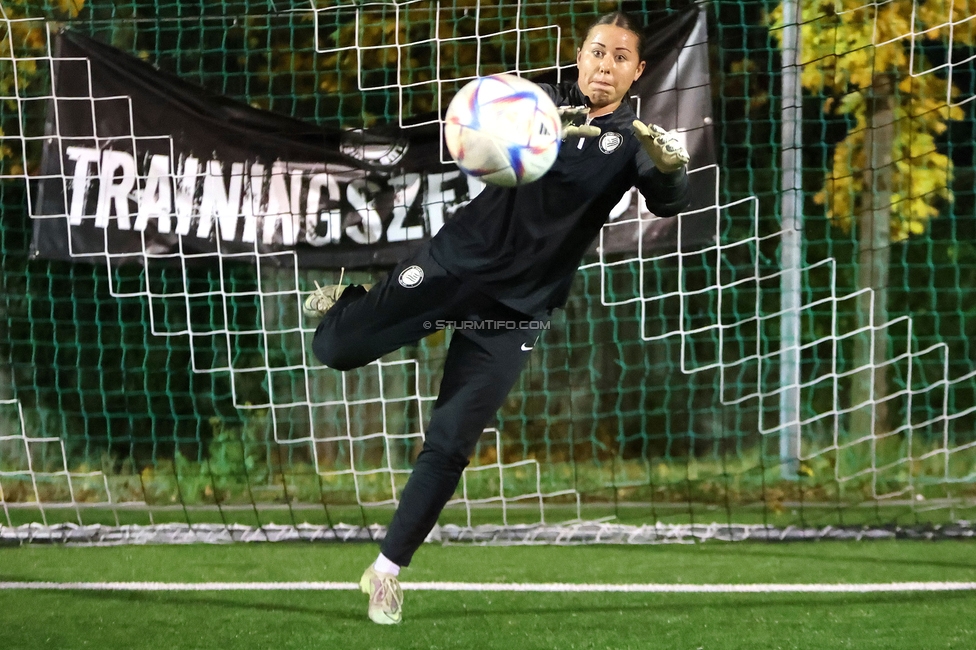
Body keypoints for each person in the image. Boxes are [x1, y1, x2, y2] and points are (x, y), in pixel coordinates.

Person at [306, 11, 690, 625]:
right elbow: (478, 127)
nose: (605, 66)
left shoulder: (634, 141)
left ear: (637, 71)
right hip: (454, 265)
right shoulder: (538, 105)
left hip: (517, 309)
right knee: (336, 351)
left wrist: (672, 171)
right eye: (598, 52)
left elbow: (664, 194)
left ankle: (386, 573)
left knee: (452, 441)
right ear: (581, 55)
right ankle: (355, 302)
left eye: (621, 58)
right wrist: (540, 129)